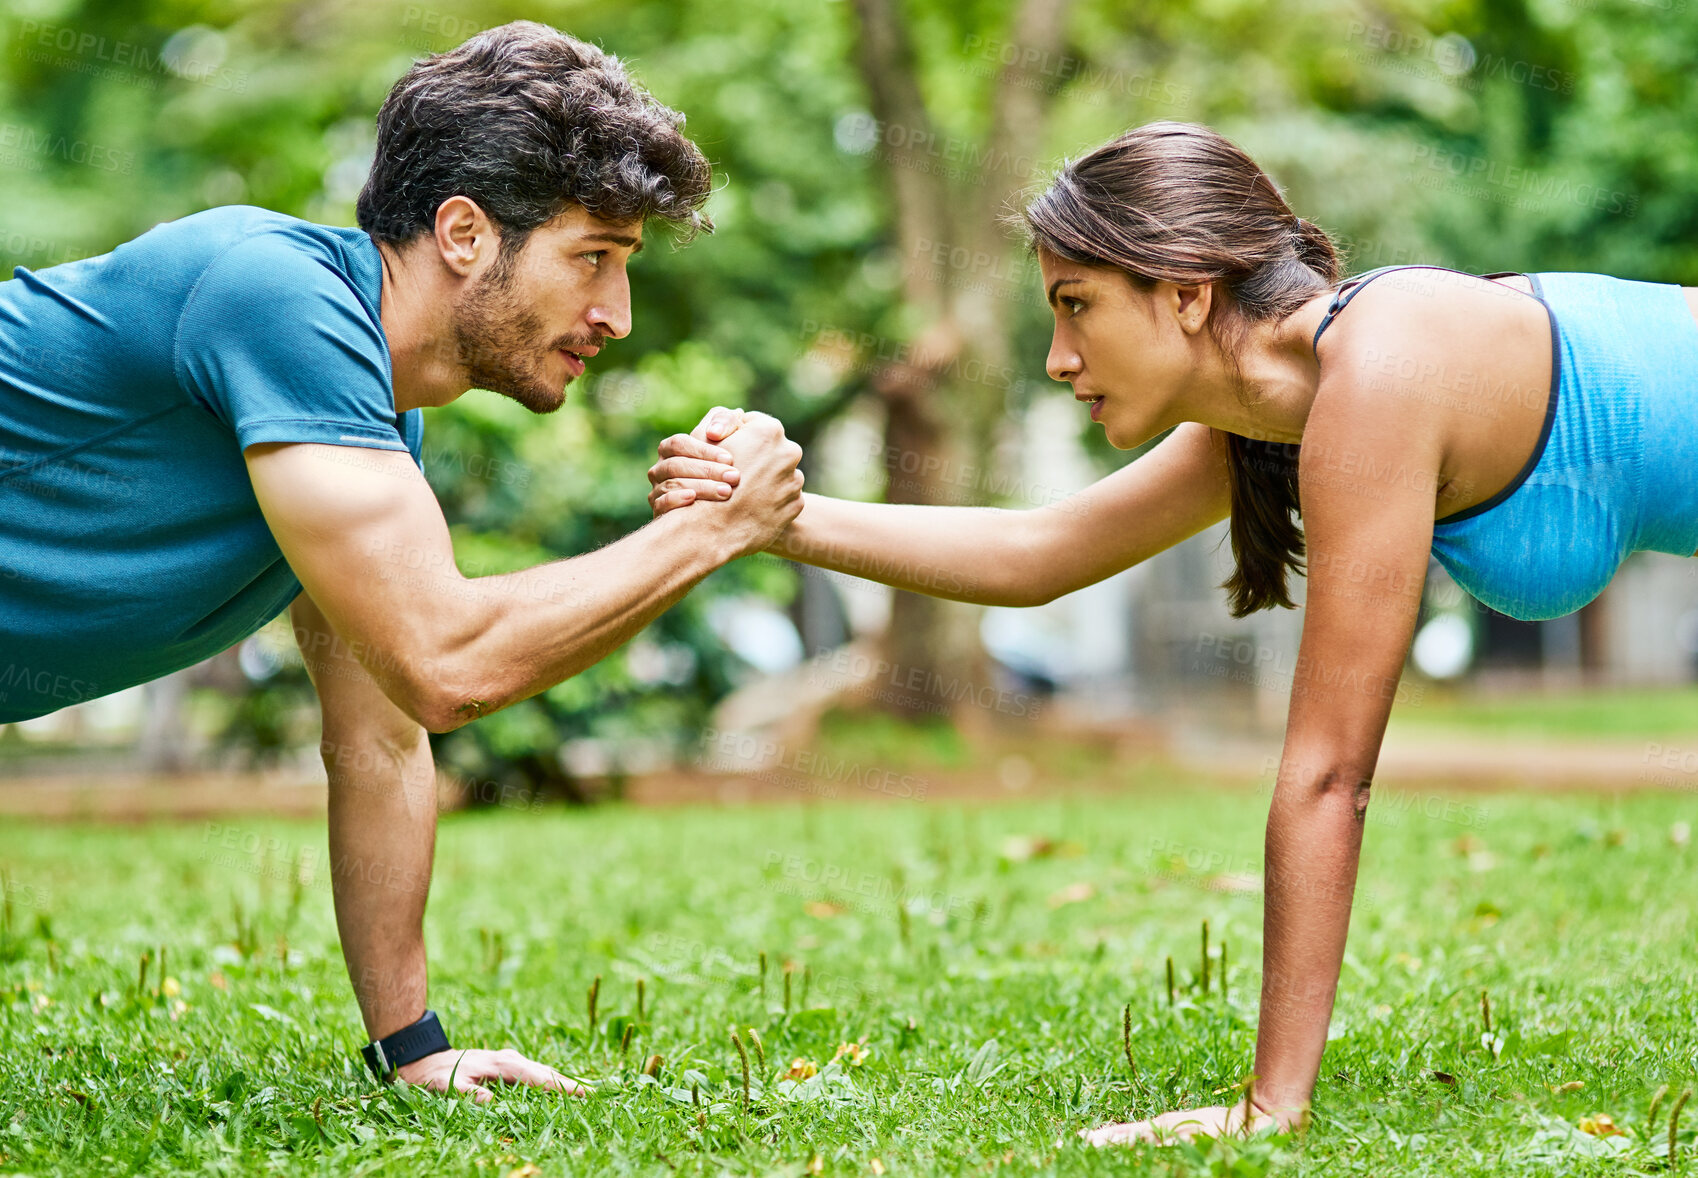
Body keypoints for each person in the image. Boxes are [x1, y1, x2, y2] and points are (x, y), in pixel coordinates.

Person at [647, 120, 1698, 1142]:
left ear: (1187, 294)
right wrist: (771, 517)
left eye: (1077, 306)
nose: (1059, 357)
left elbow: (1333, 772)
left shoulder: (1379, 372)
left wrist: (1273, 1100)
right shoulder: (1274, 411)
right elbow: (1040, 552)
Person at [0, 21, 804, 1101]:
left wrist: (411, 1045)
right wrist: (712, 527)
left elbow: (383, 733)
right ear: (464, 233)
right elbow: (448, 661)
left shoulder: (365, 420)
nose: (615, 315)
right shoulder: (268, 293)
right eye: (593, 259)